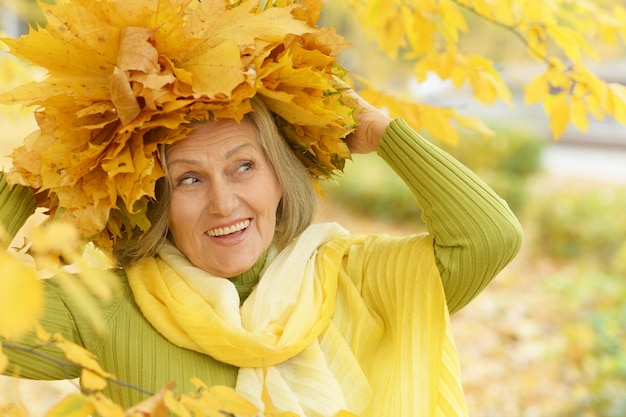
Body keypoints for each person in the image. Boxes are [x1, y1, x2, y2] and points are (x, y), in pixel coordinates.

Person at [0, 1, 523, 415]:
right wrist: (36, 173)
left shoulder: (355, 280)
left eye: (244, 166)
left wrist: (383, 133)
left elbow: (489, 238)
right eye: (188, 179)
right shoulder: (110, 309)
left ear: (281, 175)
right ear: (156, 203)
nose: (223, 202)